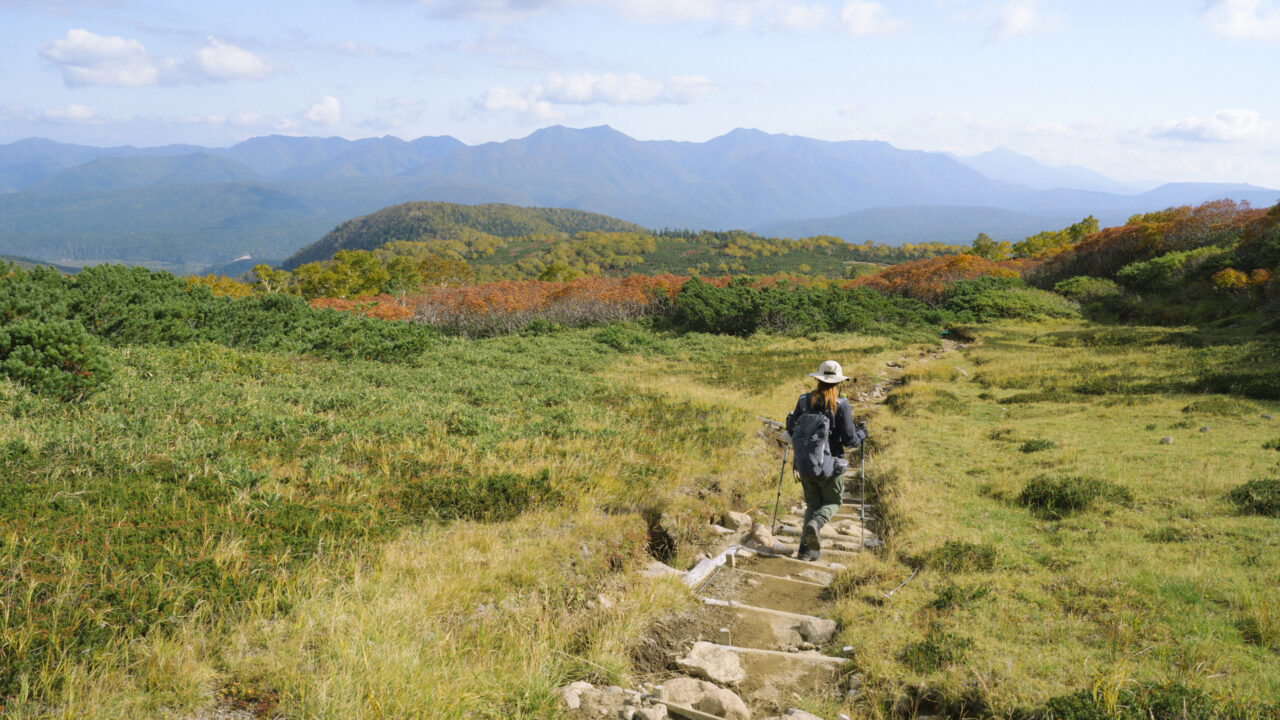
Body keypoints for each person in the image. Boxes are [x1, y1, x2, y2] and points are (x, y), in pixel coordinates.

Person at [784, 360, 867, 562]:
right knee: (832, 501)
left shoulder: (804, 400)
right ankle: (818, 524)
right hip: (832, 466)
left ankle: (806, 550)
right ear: (838, 382)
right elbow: (850, 440)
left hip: (804, 463)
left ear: (818, 379)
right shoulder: (841, 404)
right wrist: (862, 433)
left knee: (812, 504)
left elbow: (790, 428)